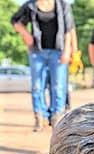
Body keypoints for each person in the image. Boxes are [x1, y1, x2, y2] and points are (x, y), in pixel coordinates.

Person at [11, 0, 74, 131]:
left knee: (58, 86)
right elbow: (14, 20)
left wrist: (68, 50)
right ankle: (40, 118)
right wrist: (25, 33)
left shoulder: (63, 5)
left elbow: (68, 30)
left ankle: (57, 118)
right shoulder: (30, 5)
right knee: (37, 86)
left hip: (58, 51)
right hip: (37, 52)